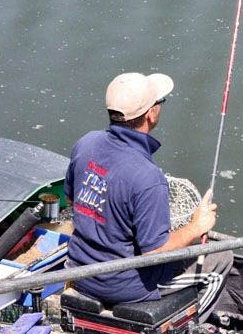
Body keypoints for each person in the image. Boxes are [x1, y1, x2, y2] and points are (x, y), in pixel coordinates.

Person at [65, 72, 232, 309]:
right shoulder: (148, 177)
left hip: (77, 269)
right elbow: (154, 252)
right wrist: (197, 226)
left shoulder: (86, 143)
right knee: (221, 260)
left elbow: (72, 200)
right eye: (159, 103)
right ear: (151, 113)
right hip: (122, 285)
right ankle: (182, 328)